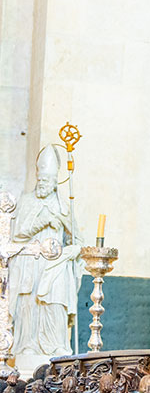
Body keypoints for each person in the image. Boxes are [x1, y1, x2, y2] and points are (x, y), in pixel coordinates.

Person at [9, 146, 84, 358]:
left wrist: (72, 251)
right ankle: (27, 345)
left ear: (54, 182)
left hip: (55, 264)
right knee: (29, 305)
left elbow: (77, 239)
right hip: (30, 262)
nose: (42, 184)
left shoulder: (63, 204)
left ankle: (55, 344)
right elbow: (17, 235)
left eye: (47, 181)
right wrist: (42, 221)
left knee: (54, 304)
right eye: (40, 180)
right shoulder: (26, 201)